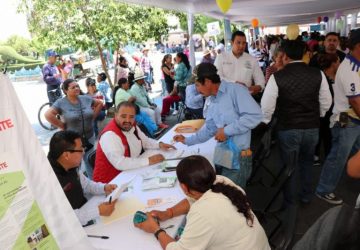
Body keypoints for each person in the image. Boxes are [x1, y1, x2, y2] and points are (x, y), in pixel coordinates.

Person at [135, 155, 270, 250]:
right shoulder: (221, 181)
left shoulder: (203, 213)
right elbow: (192, 200)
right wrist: (168, 213)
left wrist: (156, 230)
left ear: (183, 187)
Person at [261, 40, 332, 205]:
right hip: (312, 127)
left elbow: (266, 106)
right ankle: (306, 195)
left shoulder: (277, 77)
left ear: (284, 55)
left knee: (289, 165)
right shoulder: (318, 74)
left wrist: (266, 121)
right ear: (304, 54)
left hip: (288, 127)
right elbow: (327, 101)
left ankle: (290, 200)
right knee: (307, 162)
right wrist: (318, 115)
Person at [173, 63, 263, 187]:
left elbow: (255, 116)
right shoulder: (212, 99)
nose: (197, 90)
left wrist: (226, 130)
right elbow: (210, 129)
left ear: (208, 81)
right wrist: (187, 141)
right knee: (222, 191)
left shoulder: (235, 90)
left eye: (198, 85)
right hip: (223, 154)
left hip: (238, 156)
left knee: (233, 198)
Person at [315, 28, 360, 205]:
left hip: (353, 120)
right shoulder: (350, 69)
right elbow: (356, 103)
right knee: (337, 157)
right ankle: (323, 189)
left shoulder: (354, 64)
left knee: (355, 152)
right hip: (347, 121)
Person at [93, 101, 175, 183]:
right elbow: (120, 163)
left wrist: (159, 145)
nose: (128, 120)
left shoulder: (132, 125)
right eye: (123, 116)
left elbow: (145, 141)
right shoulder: (110, 135)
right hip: (111, 183)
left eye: (131, 117)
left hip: (129, 172)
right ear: (116, 115)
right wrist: (148, 160)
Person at [48, 130, 117, 226]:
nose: (84, 152)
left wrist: (104, 188)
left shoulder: (71, 165)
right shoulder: (49, 180)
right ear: (66, 155)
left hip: (85, 210)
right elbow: (62, 218)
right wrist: (97, 211)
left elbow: (87, 185)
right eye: (81, 149)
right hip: (74, 227)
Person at [45, 79, 103, 179]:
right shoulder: (61, 103)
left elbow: (100, 103)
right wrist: (62, 126)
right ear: (66, 91)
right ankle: (79, 185)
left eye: (77, 86)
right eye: (73, 87)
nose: (76, 88)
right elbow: (48, 115)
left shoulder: (85, 98)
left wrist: (92, 117)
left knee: (90, 161)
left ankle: (94, 182)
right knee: (76, 165)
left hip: (89, 137)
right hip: (72, 142)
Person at [215, 31, 265, 96]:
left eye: (244, 43)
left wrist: (256, 88)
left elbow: (261, 81)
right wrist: (235, 83)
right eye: (238, 43)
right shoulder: (221, 57)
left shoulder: (251, 59)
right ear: (232, 43)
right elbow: (216, 78)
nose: (241, 46)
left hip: (245, 97)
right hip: (225, 97)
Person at [314, 54, 341, 164]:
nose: (340, 64)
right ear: (333, 64)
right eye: (338, 61)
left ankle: (329, 156)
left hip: (336, 111)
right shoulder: (321, 77)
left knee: (330, 134)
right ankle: (317, 155)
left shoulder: (339, 76)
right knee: (323, 133)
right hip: (324, 111)